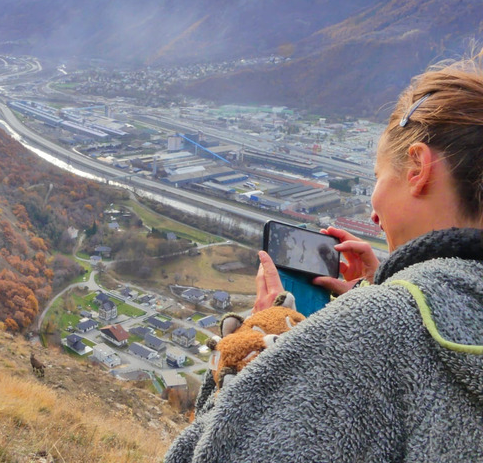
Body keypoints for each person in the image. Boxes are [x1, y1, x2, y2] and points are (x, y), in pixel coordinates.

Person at [165, 53, 483, 463]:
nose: (373, 212)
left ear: (418, 167)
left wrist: (258, 344)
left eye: (378, 177)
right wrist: (386, 285)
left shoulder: (378, 326)